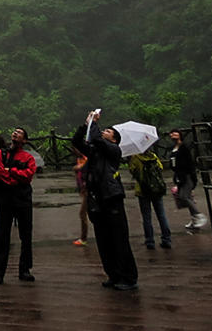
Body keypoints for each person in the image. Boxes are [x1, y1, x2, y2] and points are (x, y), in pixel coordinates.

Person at [73, 113, 138, 291]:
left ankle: (129, 277)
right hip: (98, 197)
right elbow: (77, 141)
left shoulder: (113, 150)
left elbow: (96, 138)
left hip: (112, 196)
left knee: (119, 238)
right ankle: (114, 274)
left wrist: (93, 123)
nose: (104, 132)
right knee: (103, 239)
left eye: (108, 131)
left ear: (115, 139)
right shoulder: (95, 151)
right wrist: (84, 124)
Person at [0, 128, 36, 285]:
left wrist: (11, 172)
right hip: (5, 200)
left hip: (23, 200)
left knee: (26, 235)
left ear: (24, 140)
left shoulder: (28, 157)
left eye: (20, 133)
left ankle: (25, 269)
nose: (15, 133)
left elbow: (29, 175)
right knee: (3, 235)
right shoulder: (0, 154)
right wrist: (16, 178)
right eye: (14, 131)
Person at [128, 147, 171, 250]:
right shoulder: (154, 157)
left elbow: (132, 171)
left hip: (143, 190)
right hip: (156, 190)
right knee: (161, 215)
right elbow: (160, 168)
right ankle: (167, 239)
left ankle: (150, 241)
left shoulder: (136, 158)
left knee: (146, 217)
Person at [167, 129, 207, 230]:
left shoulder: (184, 147)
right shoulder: (173, 148)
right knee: (186, 197)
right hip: (179, 176)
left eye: (175, 132)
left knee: (184, 196)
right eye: (171, 133)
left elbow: (189, 162)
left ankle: (199, 215)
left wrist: (191, 175)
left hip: (186, 175)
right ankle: (194, 220)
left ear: (180, 135)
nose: (173, 134)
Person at [72, 153, 89, 247]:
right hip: (85, 190)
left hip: (88, 191)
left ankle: (83, 238)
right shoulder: (80, 160)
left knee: (83, 214)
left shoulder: (87, 160)